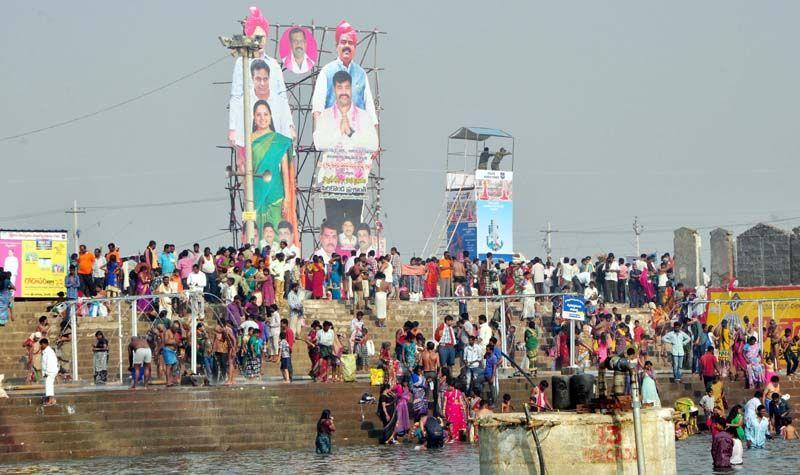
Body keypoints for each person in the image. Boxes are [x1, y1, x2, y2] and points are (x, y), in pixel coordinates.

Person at [250, 100, 295, 238]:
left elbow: (285, 171)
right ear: (253, 117)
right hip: (255, 194)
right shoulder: (249, 140)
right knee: (256, 232)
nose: (262, 118)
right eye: (258, 115)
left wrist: (287, 198)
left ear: (270, 117)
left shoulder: (279, 141)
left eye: (265, 114)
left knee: (277, 232)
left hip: (276, 193)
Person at [40, 338, 58, 406]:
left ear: (45, 344)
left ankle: (51, 400)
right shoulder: (46, 351)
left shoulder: (49, 352)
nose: (41, 346)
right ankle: (51, 399)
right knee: (48, 385)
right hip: (49, 371)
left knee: (49, 385)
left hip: (50, 371)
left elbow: (50, 363)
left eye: (41, 344)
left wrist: (47, 373)